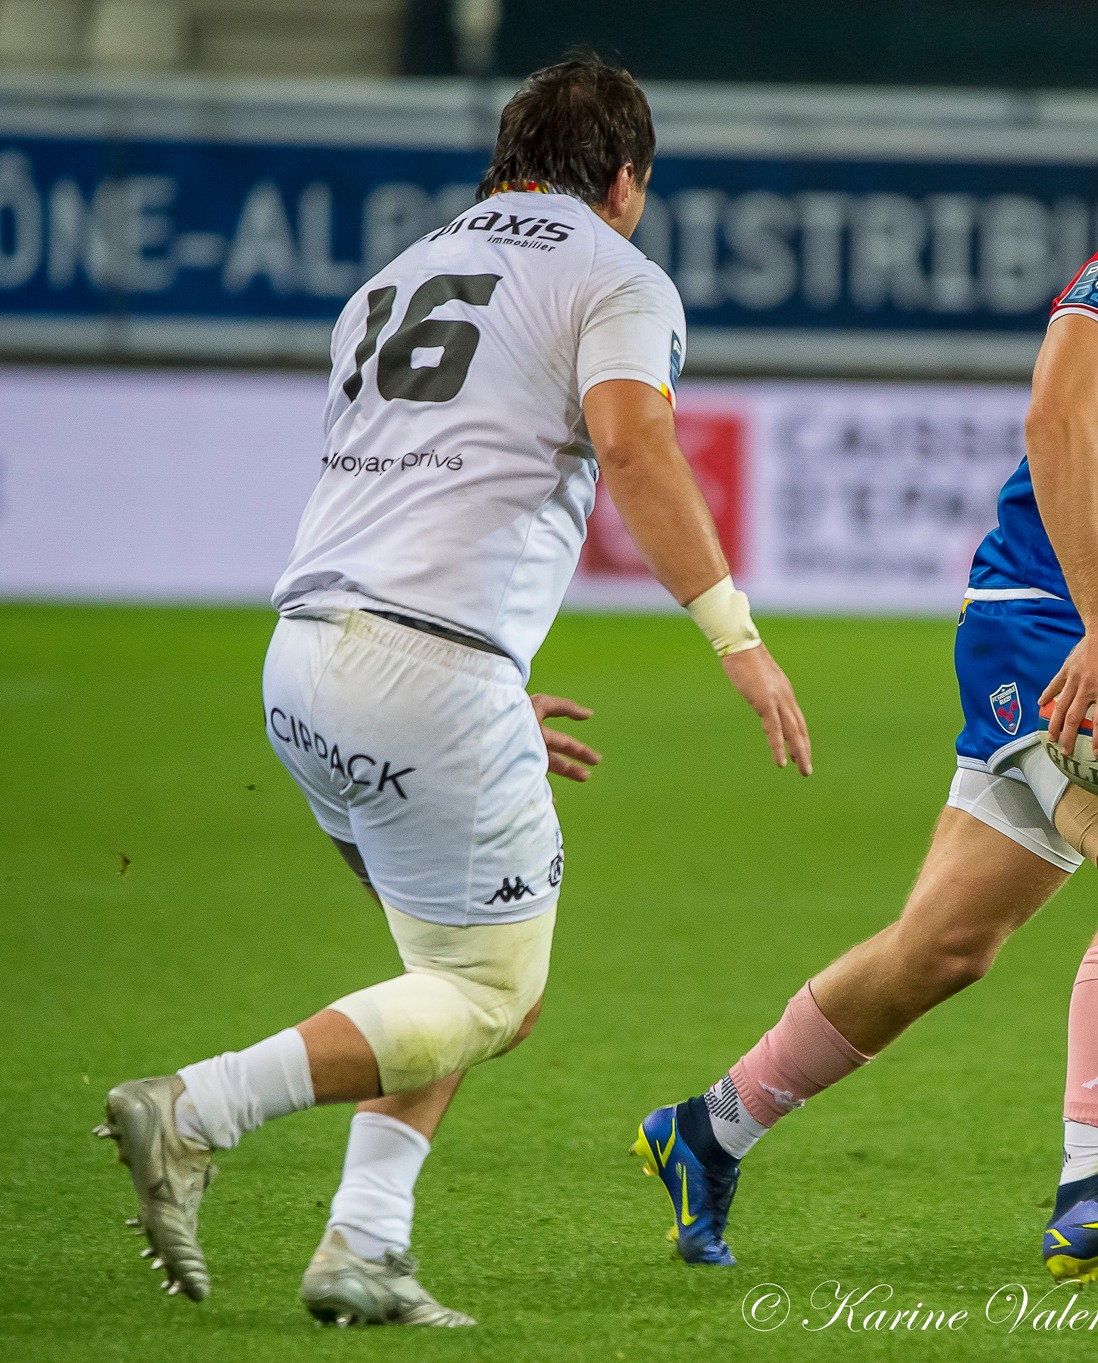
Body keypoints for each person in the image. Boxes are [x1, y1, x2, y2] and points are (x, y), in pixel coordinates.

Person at [632, 71, 1098, 1285]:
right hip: (1036, 621)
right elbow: (1055, 416)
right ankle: (1089, 1184)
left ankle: (707, 1129)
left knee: (943, 948)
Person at [95, 53, 810, 1327]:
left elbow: (407, 482)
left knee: (441, 985)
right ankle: (192, 1110)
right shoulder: (615, 275)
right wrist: (735, 637)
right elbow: (637, 444)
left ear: (510, 155)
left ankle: (363, 1246)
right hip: (422, 674)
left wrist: (471, 696)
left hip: (308, 660)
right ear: (628, 180)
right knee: (489, 992)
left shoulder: (395, 275)